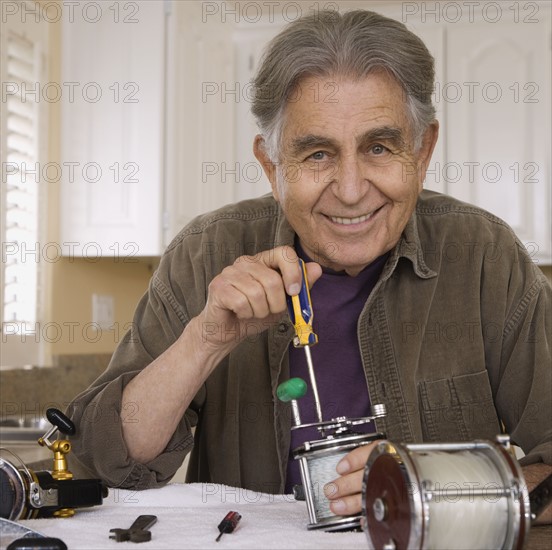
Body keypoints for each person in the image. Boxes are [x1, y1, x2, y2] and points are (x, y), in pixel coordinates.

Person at [67, 9, 551, 522]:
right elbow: (97, 467)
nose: (350, 189)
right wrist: (204, 341)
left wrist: (443, 489)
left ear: (423, 151)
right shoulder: (204, 253)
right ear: (272, 167)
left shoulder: (485, 256)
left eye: (379, 147)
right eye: (317, 154)